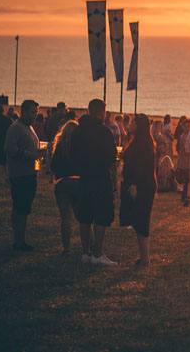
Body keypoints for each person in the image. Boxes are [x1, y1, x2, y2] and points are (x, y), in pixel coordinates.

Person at [71, 98, 119, 266]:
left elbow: (72, 153)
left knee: (84, 215)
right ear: (101, 113)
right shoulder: (104, 132)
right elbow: (112, 157)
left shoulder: (78, 131)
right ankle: (98, 253)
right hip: (100, 178)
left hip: (83, 178)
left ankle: (86, 252)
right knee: (102, 215)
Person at [119, 114, 157, 266]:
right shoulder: (138, 141)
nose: (129, 124)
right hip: (141, 183)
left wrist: (134, 185)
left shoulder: (142, 143)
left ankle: (145, 258)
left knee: (141, 219)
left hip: (142, 185)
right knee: (137, 219)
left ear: (139, 125)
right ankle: (143, 257)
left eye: (132, 122)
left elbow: (141, 166)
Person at [4, 99, 41, 251]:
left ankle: (19, 239)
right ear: (24, 111)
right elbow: (9, 149)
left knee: (22, 208)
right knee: (21, 208)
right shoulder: (16, 128)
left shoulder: (28, 127)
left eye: (36, 113)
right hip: (20, 174)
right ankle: (19, 242)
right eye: (33, 112)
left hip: (28, 173)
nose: (35, 116)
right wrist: (31, 155)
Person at [50, 119, 80, 255]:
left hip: (62, 183)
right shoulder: (81, 146)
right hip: (78, 182)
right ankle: (89, 247)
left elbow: (53, 166)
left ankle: (66, 248)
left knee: (65, 218)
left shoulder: (60, 146)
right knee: (83, 218)